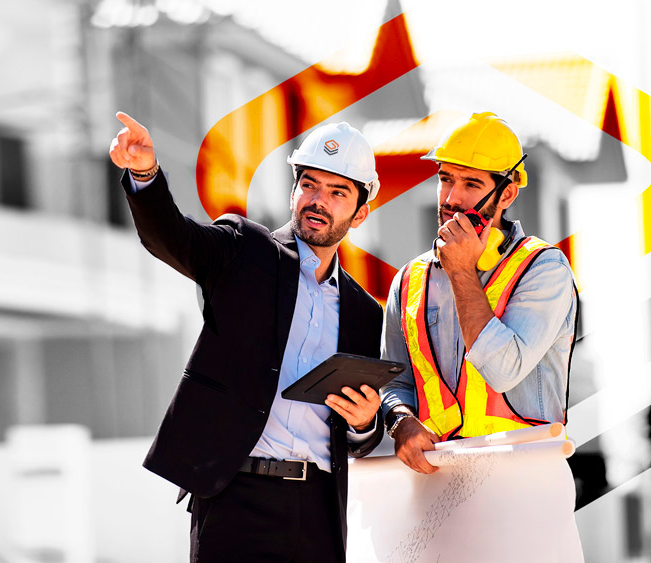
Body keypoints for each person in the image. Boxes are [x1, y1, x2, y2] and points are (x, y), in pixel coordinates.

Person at [108, 112, 385, 562]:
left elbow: (359, 438)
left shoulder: (365, 314)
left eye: (338, 193)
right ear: (294, 191)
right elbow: (171, 237)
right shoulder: (243, 249)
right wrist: (144, 173)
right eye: (310, 185)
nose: (319, 200)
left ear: (361, 211)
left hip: (317, 511)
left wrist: (363, 423)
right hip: (235, 497)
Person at [380, 112, 578, 474]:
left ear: (508, 193)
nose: (452, 198)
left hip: (524, 483)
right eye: (445, 180)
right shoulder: (409, 280)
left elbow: (503, 371)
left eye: (471, 184)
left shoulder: (544, 269)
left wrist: (461, 271)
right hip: (437, 481)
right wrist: (400, 420)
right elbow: (395, 381)